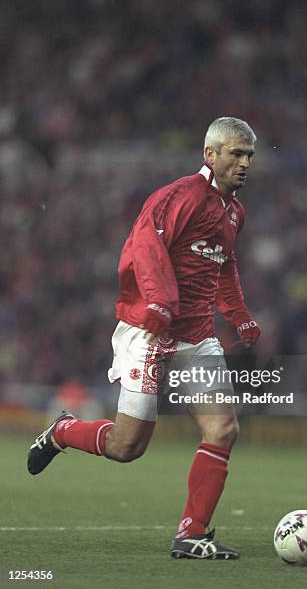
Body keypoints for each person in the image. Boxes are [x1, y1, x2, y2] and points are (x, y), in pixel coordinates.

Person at [27, 117, 261, 559]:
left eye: (249, 154)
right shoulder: (181, 196)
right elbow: (144, 246)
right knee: (127, 447)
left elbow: (224, 265)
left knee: (223, 427)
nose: (245, 162)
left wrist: (239, 315)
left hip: (196, 337)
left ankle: (191, 534)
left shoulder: (235, 213)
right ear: (210, 155)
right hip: (151, 331)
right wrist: (158, 301)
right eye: (237, 153)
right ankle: (62, 430)